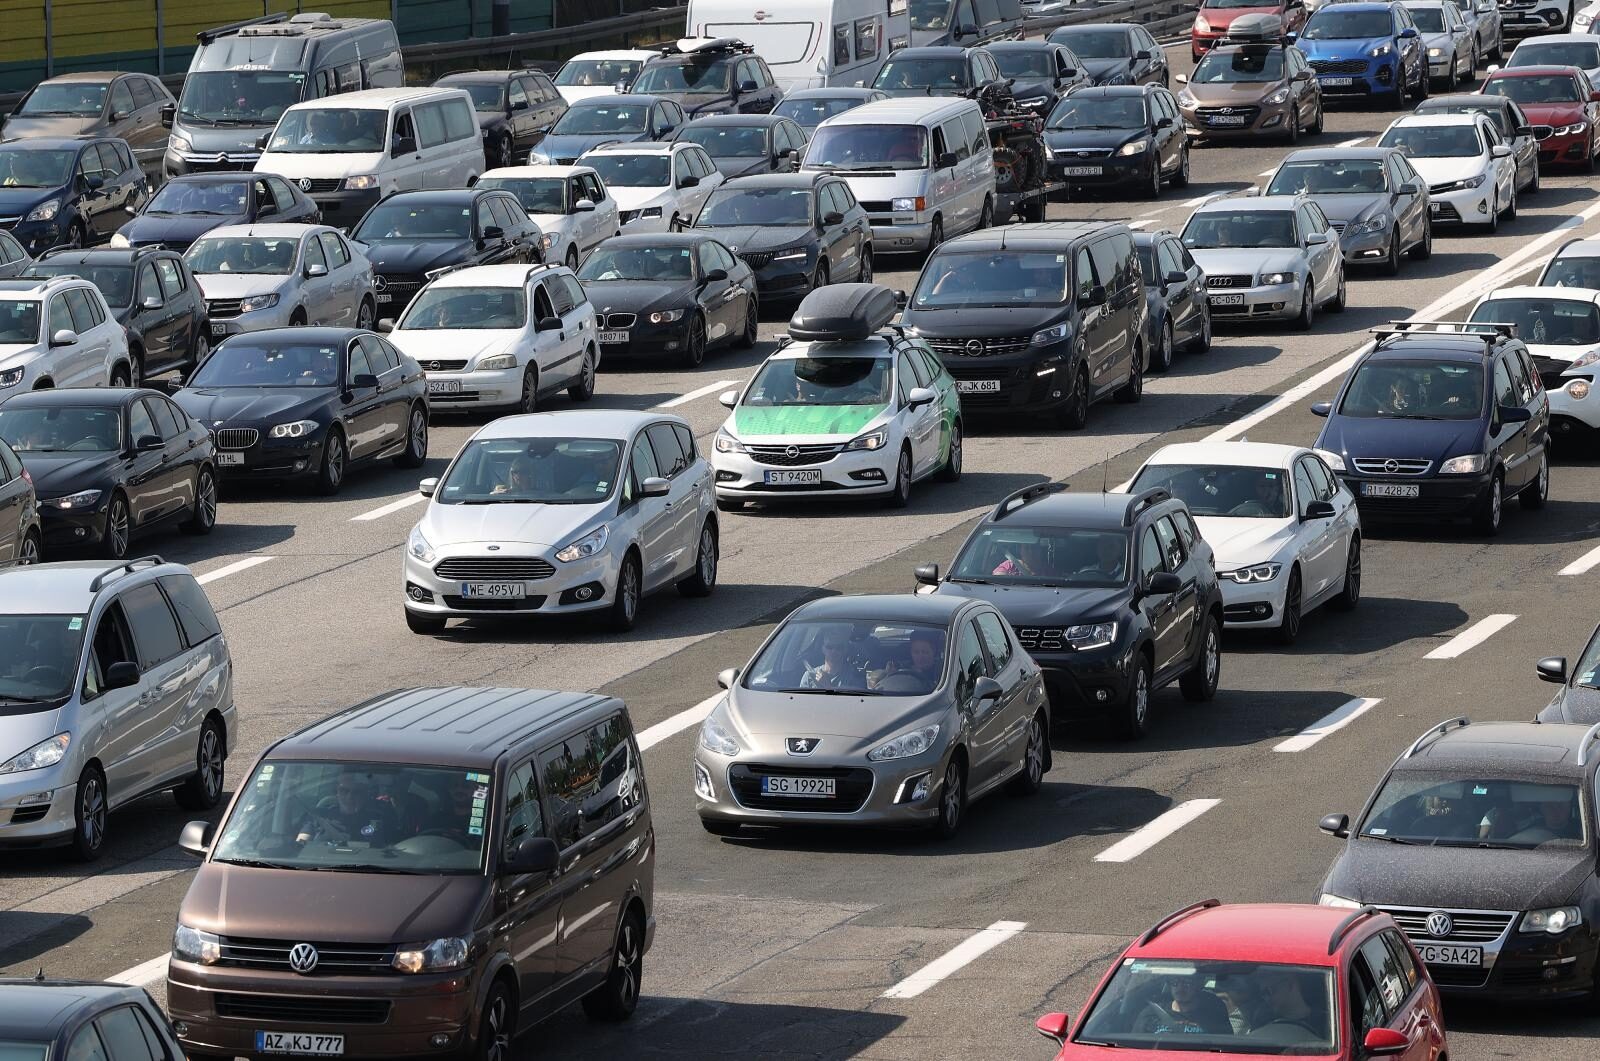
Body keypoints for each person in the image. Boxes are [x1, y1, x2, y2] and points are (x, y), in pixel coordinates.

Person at [296, 773, 397, 846]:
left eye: (356, 792)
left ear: (365, 795)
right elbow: (300, 844)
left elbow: (395, 851)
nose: (350, 797)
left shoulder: (381, 818)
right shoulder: (318, 816)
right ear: (337, 793)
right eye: (344, 790)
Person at [1161, 974, 1234, 1035]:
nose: (1180, 987)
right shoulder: (1155, 1011)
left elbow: (1225, 1045)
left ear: (1198, 985)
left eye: (1187, 982)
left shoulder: (1214, 1014)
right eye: (1175, 982)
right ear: (1169, 985)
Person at [801, 627, 868, 690]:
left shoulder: (855, 677)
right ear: (822, 649)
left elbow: (858, 701)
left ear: (845, 650)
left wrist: (828, 687)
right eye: (829, 647)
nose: (834, 651)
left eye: (839, 647)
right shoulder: (809, 676)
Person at [880, 629, 945, 692]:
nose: (920, 656)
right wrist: (890, 674)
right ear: (911, 653)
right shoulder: (902, 666)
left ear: (933, 651)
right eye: (916, 652)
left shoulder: (942, 671)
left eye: (925, 652)